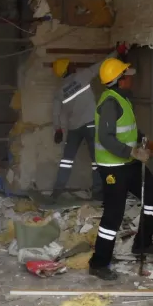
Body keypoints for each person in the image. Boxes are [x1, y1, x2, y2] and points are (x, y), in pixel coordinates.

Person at [87, 57, 153, 281]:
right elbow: (106, 137)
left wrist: (143, 141)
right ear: (119, 80)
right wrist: (132, 152)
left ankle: (142, 244)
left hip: (128, 163)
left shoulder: (122, 98)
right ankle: (99, 263)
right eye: (126, 75)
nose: (131, 78)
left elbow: (127, 129)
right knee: (114, 214)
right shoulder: (110, 103)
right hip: (113, 167)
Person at [49, 46, 125, 201]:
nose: (73, 65)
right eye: (70, 64)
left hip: (73, 128)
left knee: (66, 160)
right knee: (96, 160)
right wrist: (118, 51)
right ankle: (97, 192)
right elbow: (102, 64)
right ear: (67, 69)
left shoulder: (60, 92)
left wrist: (58, 129)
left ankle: (57, 191)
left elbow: (55, 112)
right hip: (91, 124)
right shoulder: (82, 76)